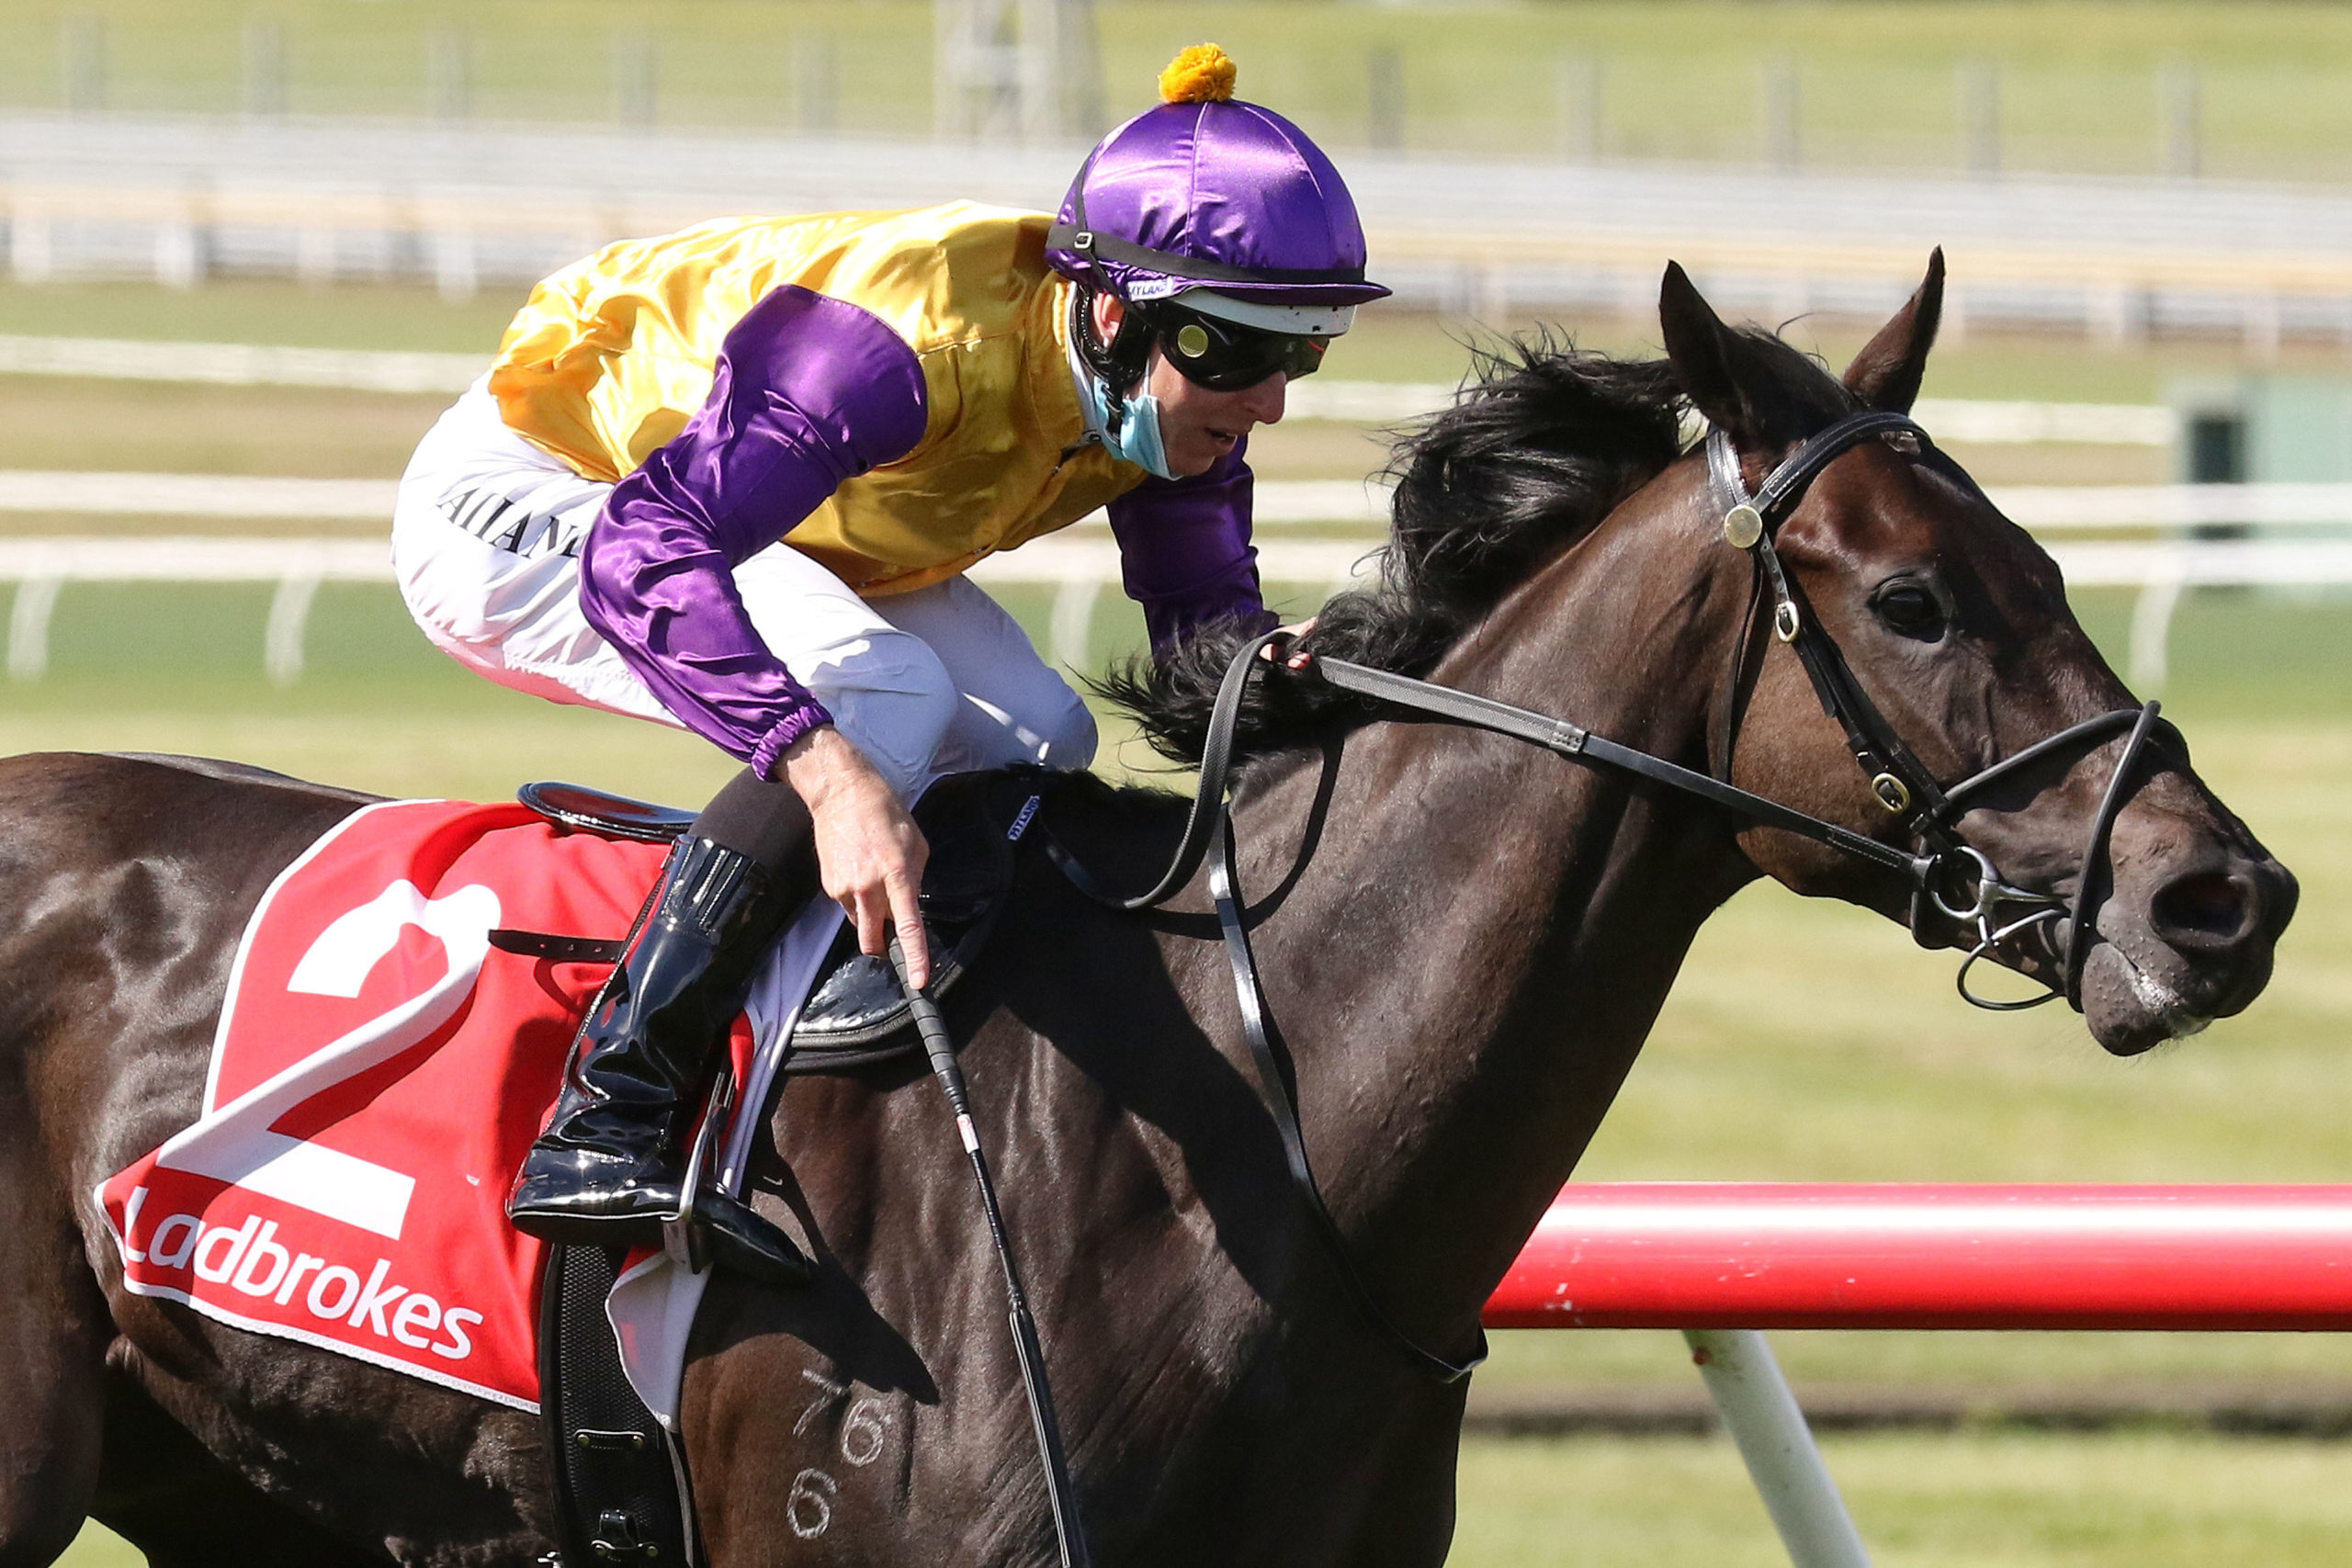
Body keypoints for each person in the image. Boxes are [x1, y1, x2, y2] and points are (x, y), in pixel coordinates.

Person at [389, 44, 1387, 1280]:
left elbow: (1204, 637)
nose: (1271, 400)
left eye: (1303, 353)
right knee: (880, 700)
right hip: (552, 492)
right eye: (1234, 351)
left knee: (1041, 738)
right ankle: (610, 1110)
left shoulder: (1163, 396)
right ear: (1114, 312)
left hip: (774, 521)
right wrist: (824, 777)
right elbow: (647, 554)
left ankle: (870, 1043)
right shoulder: (896, 348)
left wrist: (1296, 676)